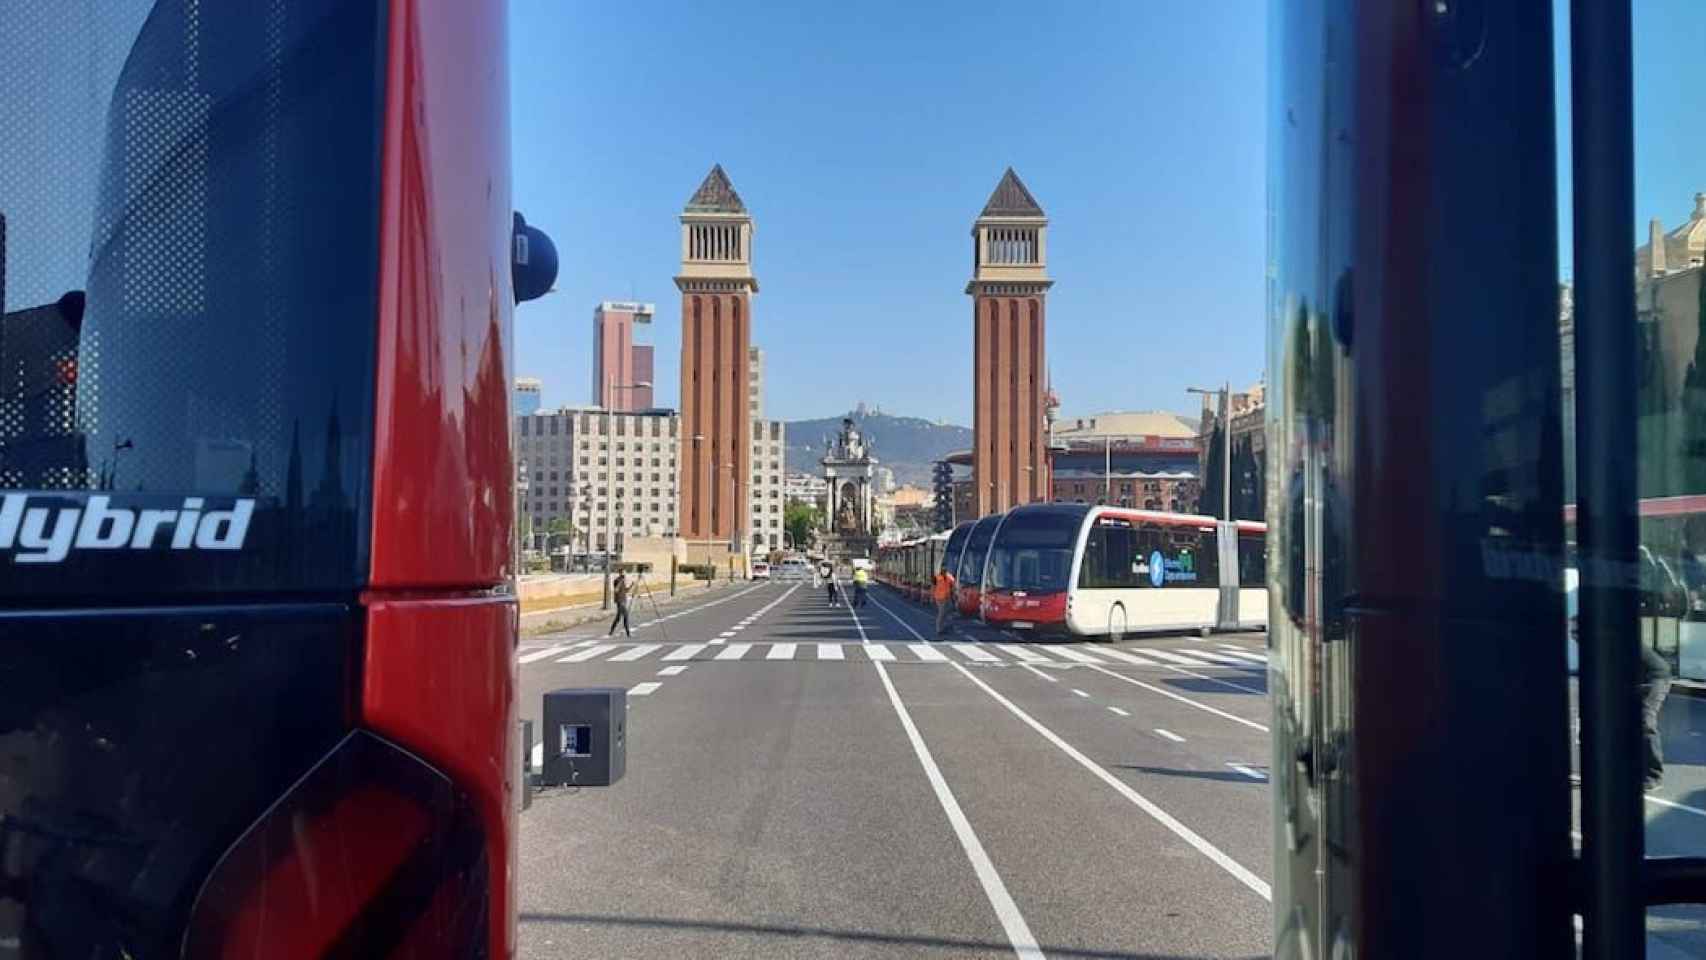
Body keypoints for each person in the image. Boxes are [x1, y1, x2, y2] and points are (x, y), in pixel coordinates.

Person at [1641, 644, 1672, 792]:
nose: (1574, 636)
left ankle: (1654, 777)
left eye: (1576, 632)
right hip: (1641, 679)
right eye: (1572, 633)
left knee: (1646, 722)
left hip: (1656, 677)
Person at [932, 567, 956, 637]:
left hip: (947, 598)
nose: (943, 571)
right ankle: (939, 629)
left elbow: (953, 584)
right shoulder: (936, 577)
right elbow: (933, 587)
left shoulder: (949, 577)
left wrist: (953, 592)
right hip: (939, 598)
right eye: (942, 570)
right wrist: (932, 596)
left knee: (948, 611)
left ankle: (945, 626)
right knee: (941, 612)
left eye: (945, 570)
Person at [608, 570, 632, 638]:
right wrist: (621, 581)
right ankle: (628, 633)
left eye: (625, 573)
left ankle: (611, 631)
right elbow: (616, 590)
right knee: (626, 616)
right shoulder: (617, 580)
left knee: (618, 618)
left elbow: (626, 591)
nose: (624, 574)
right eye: (623, 573)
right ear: (620, 573)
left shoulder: (623, 581)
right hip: (620, 601)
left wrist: (631, 586)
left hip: (623, 600)